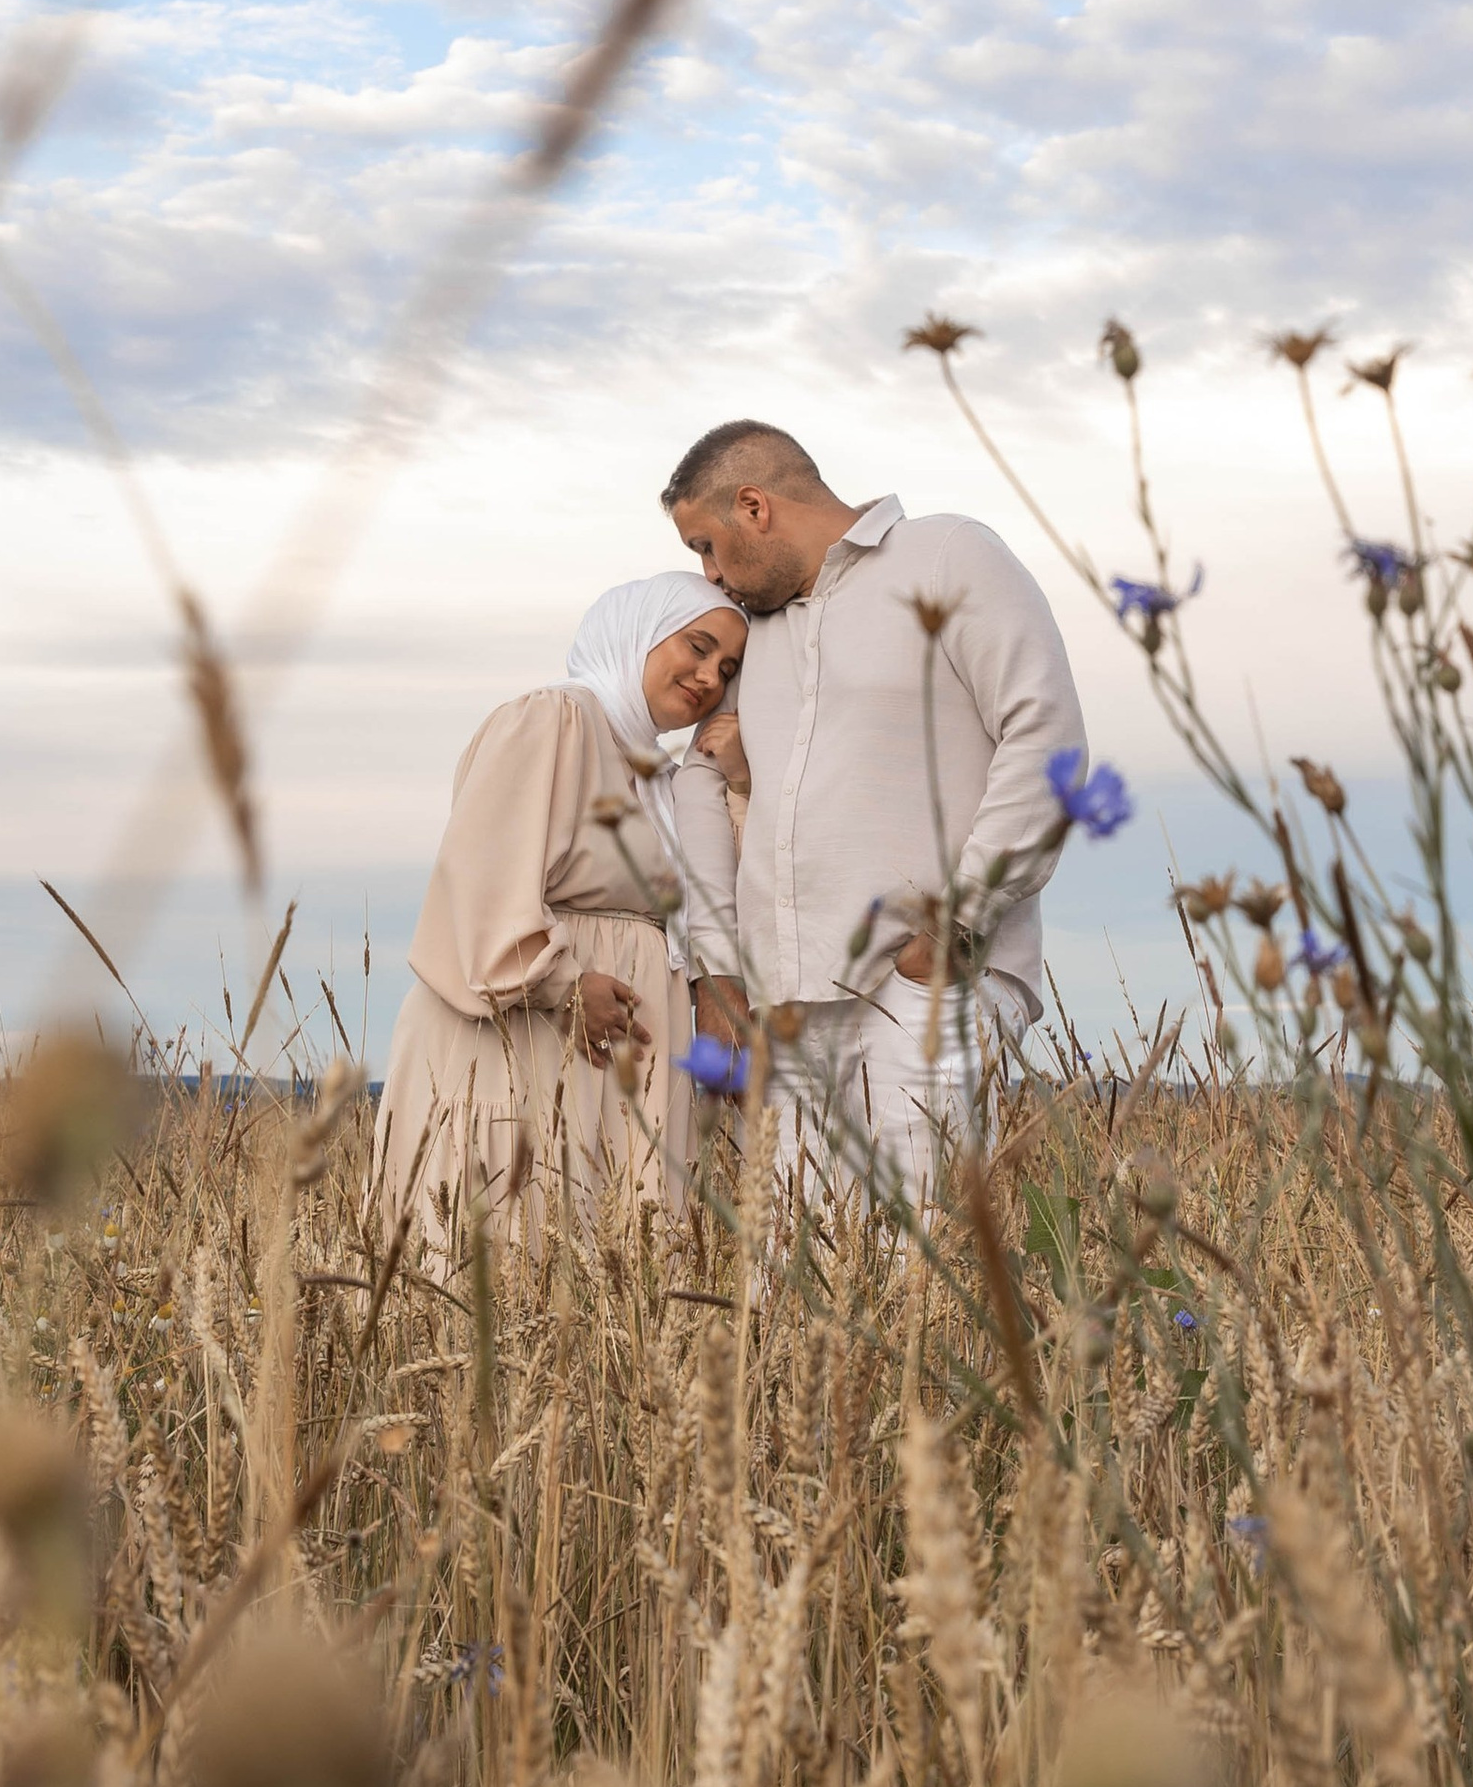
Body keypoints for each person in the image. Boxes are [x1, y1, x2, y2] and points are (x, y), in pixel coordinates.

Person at [662, 417, 1086, 1195]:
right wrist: (719, 981)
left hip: (920, 985)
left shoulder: (949, 554)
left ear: (755, 507)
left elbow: (1047, 737)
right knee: (805, 1273)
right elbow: (703, 784)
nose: (710, 577)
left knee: (916, 1266)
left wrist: (957, 928)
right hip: (788, 1006)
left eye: (705, 547)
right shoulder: (751, 638)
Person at [372, 574, 745, 1252]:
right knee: (502, 1264)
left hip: (607, 1075)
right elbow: (480, 875)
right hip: (523, 1044)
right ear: (637, 631)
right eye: (696, 645)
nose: (707, 677)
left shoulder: (660, 779)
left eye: (727, 670)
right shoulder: (554, 718)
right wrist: (561, 982)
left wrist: (736, 776)